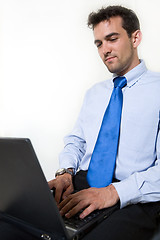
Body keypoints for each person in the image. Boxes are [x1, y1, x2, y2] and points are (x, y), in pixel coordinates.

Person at [48, 5, 160, 240]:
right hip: (83, 182)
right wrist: (66, 173)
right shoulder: (94, 93)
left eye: (112, 39)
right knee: (18, 220)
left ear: (135, 37)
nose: (105, 50)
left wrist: (112, 192)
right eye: (99, 43)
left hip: (132, 195)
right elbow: (76, 141)